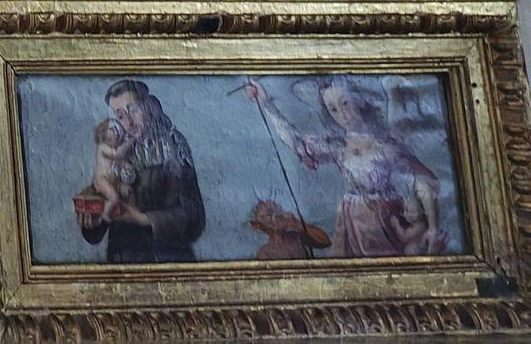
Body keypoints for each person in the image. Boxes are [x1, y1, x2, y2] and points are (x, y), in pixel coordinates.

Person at [237, 75, 450, 256]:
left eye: (345, 103)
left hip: (386, 223)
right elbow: (295, 140)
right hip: (350, 225)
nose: (342, 114)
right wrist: (265, 104)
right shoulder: (338, 147)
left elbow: (423, 182)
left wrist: (432, 227)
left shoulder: (387, 144)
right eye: (333, 109)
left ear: (360, 101)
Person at [76, 79, 205, 263]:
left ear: (148, 106)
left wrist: (143, 219)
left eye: (134, 110)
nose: (128, 122)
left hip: (168, 262)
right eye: (120, 116)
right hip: (122, 261)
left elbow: (194, 219)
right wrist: (93, 219)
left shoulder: (172, 145)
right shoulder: (116, 149)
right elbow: (97, 231)